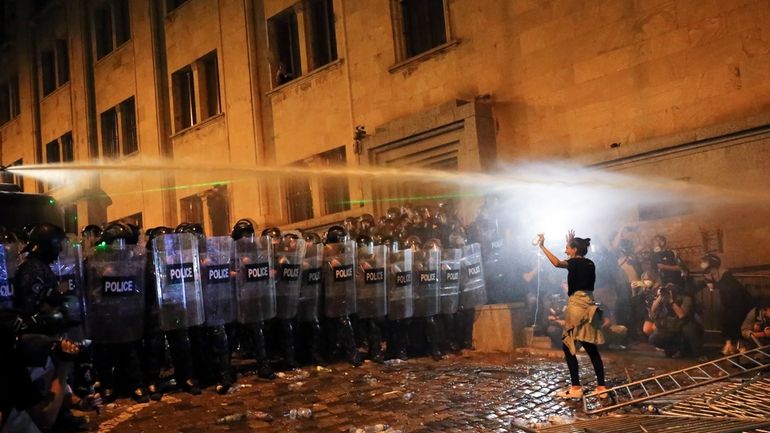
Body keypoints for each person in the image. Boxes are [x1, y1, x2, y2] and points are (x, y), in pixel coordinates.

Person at [537, 231, 606, 399]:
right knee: (591, 348)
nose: (565, 249)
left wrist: (542, 246)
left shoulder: (574, 263)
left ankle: (576, 388)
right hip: (589, 305)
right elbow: (576, 260)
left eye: (567, 247)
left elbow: (556, 263)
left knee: (568, 347)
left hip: (577, 306)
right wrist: (572, 243)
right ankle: (601, 388)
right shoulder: (590, 263)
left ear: (575, 250)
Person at [700, 253, 754, 355]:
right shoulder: (722, 276)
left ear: (713, 268)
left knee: (734, 319)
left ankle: (739, 347)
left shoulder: (726, 277)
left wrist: (714, 285)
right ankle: (731, 345)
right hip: (734, 304)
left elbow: (732, 294)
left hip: (741, 304)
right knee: (727, 317)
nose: (705, 273)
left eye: (707, 270)